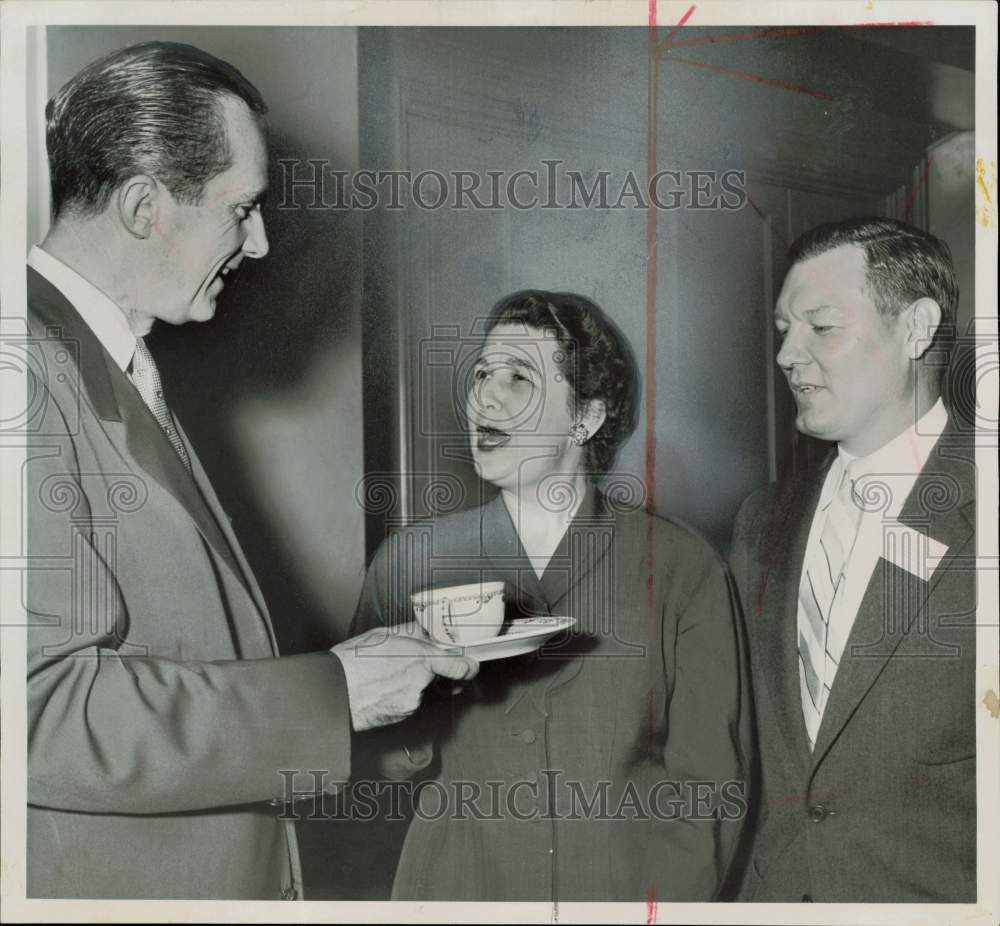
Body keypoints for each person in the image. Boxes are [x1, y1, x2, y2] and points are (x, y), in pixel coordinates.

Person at [24, 41, 476, 900]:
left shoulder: (105, 360)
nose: (261, 244)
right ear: (145, 206)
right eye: (242, 208)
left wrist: (358, 684)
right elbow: (40, 712)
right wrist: (330, 695)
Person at [350, 289, 752, 902]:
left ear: (585, 418)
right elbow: (362, 768)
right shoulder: (410, 563)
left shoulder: (682, 569)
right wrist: (412, 715)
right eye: (482, 373)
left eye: (519, 378)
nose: (485, 395)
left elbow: (709, 794)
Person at [729, 217, 976, 902]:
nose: (786, 354)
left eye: (821, 327)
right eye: (784, 329)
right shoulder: (761, 523)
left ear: (916, 328)